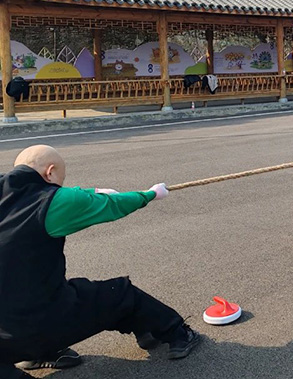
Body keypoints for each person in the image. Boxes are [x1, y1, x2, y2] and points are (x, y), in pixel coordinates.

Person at [0, 145, 199, 378]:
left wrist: (92, 190)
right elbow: (112, 205)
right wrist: (151, 194)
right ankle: (174, 332)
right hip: (37, 322)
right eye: (58, 182)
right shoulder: (49, 201)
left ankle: (37, 353)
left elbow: (69, 196)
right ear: (50, 172)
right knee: (121, 294)